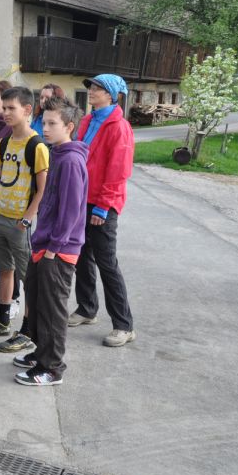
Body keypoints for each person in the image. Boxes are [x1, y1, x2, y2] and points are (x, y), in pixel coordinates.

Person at [15, 97, 89, 386]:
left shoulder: (70, 160)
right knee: (37, 302)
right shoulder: (55, 153)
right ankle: (41, 353)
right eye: (43, 122)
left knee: (53, 309)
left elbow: (71, 210)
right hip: (43, 243)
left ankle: (52, 367)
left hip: (58, 250)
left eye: (51, 123)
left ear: (69, 126)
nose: (44, 128)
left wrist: (54, 249)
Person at [0, 87, 49, 349]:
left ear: (27, 110)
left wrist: (28, 218)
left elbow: (42, 188)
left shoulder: (37, 145)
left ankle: (28, 331)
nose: (5, 113)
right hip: (2, 217)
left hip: (21, 223)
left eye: (11, 108)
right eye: (3, 108)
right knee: (4, 269)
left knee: (28, 277)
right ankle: (3, 320)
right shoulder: (5, 143)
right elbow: (2, 181)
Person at [70, 74, 136, 347]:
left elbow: (118, 172)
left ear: (111, 95)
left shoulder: (119, 126)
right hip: (82, 200)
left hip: (102, 204)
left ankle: (124, 325)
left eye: (97, 88)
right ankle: (87, 309)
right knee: (82, 256)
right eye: (91, 87)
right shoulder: (88, 120)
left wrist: (104, 206)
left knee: (107, 263)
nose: (92, 91)